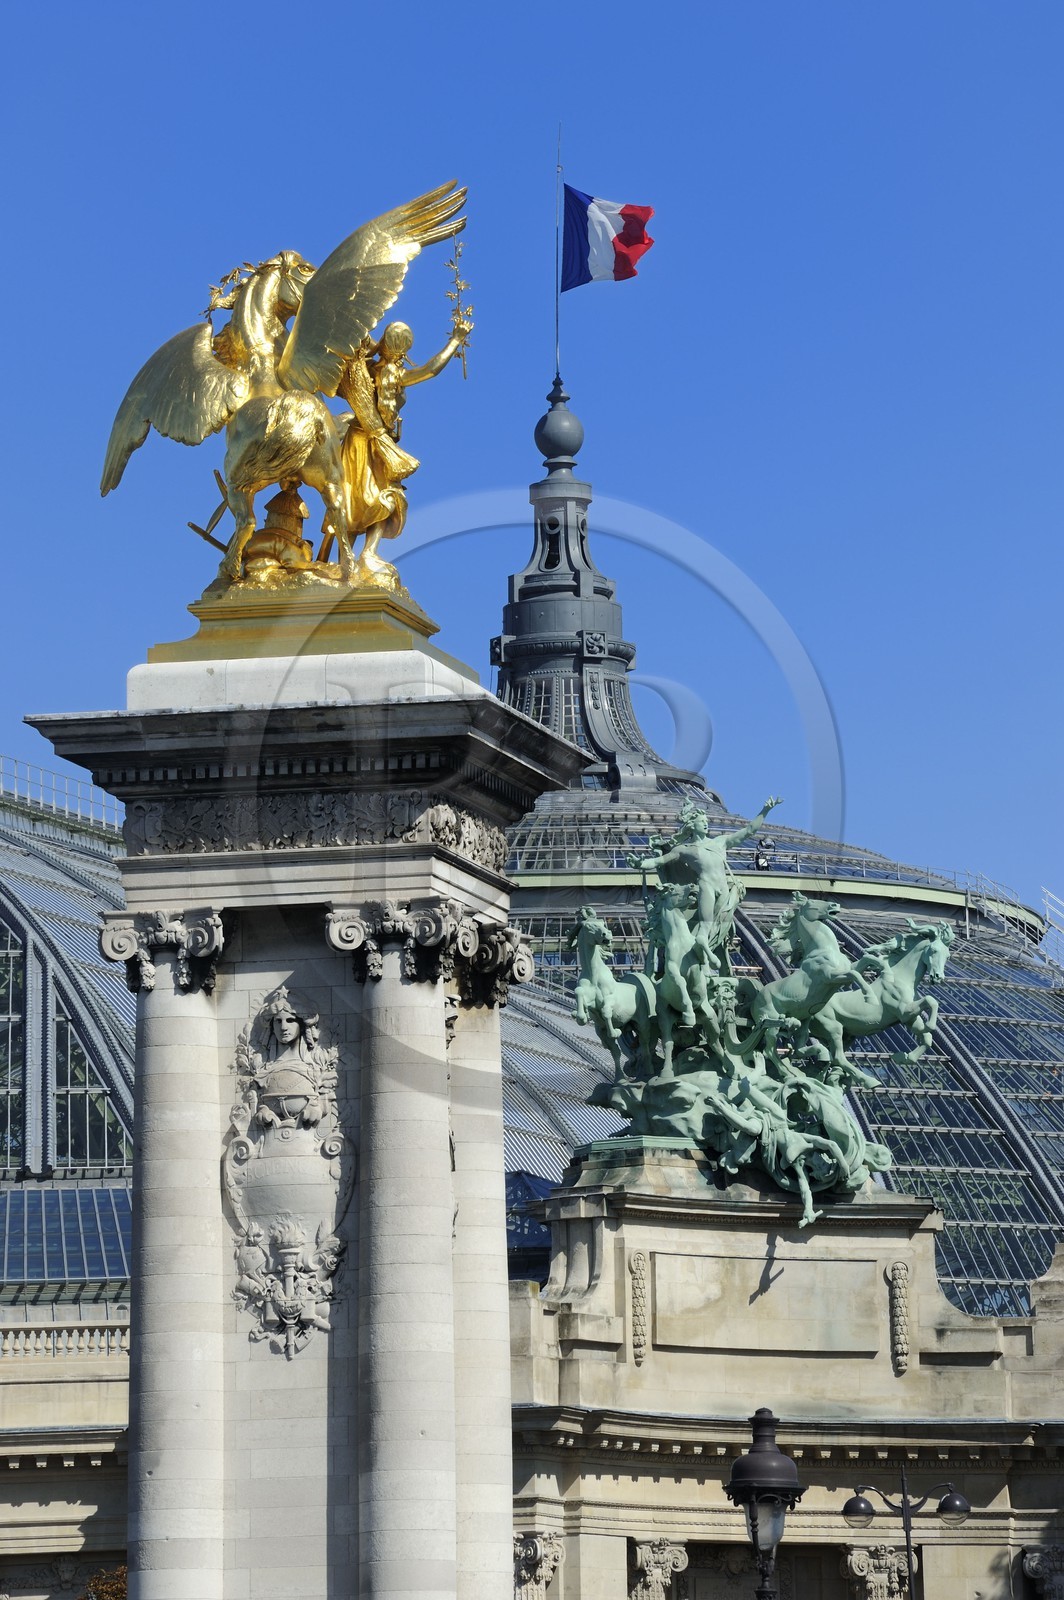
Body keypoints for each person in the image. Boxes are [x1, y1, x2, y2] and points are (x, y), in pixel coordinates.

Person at [330, 317, 472, 581]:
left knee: (351, 498)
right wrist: (455, 339)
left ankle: (345, 559)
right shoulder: (393, 376)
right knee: (385, 496)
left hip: (356, 440)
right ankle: (367, 554)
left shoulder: (364, 369)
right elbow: (431, 369)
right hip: (377, 443)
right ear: (404, 352)